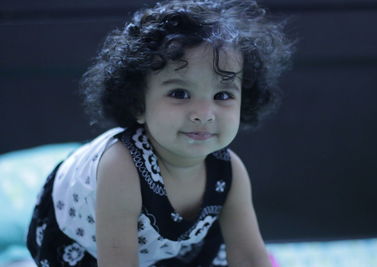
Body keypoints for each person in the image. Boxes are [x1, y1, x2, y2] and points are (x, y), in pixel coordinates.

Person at [26, 0, 293, 266]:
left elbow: (249, 256)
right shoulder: (121, 168)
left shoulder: (229, 171)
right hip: (86, 247)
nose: (203, 113)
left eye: (222, 95)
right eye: (179, 93)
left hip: (167, 246)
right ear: (138, 104)